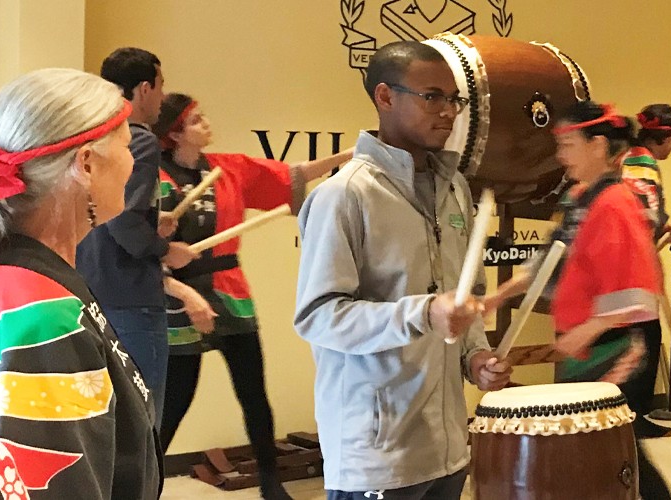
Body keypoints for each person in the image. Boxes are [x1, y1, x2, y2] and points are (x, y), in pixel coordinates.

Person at [0, 68, 161, 499]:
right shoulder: (39, 313)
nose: (134, 165)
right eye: (128, 147)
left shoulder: (18, 285)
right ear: (87, 163)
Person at [293, 41, 512, 500]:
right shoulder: (344, 196)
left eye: (454, 99)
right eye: (432, 97)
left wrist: (475, 356)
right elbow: (319, 316)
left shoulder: (455, 188)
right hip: (378, 452)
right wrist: (423, 312)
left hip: (448, 443)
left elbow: (465, 296)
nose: (448, 111)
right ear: (385, 97)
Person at [151, 93, 352, 500]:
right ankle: (144, 484)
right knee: (174, 402)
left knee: (254, 394)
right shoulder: (153, 178)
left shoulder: (227, 169)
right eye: (196, 120)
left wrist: (347, 154)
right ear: (175, 134)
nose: (206, 123)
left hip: (229, 290)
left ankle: (270, 483)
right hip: (176, 294)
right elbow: (138, 243)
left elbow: (292, 174)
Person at [485, 101, 671, 499]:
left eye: (568, 144)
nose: (560, 155)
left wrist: (590, 327)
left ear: (599, 146)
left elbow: (639, 290)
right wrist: (496, 297)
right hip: (586, 343)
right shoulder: (580, 198)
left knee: (614, 446)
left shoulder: (617, 204)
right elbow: (552, 261)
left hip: (619, 345)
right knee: (600, 446)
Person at [77, 47, 196, 426]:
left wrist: (149, 225)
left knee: (103, 420)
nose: (162, 97)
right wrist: (164, 249)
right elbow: (123, 218)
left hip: (88, 291)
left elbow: (105, 212)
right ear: (144, 88)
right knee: (141, 423)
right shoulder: (138, 140)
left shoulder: (89, 136)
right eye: (161, 87)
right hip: (130, 297)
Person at [621, 104, 671, 439]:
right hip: (631, 273)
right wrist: (661, 223)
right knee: (644, 343)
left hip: (628, 270)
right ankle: (634, 419)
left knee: (639, 343)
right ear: (663, 137)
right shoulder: (642, 162)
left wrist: (665, 222)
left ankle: (632, 418)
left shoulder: (631, 158)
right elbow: (639, 211)